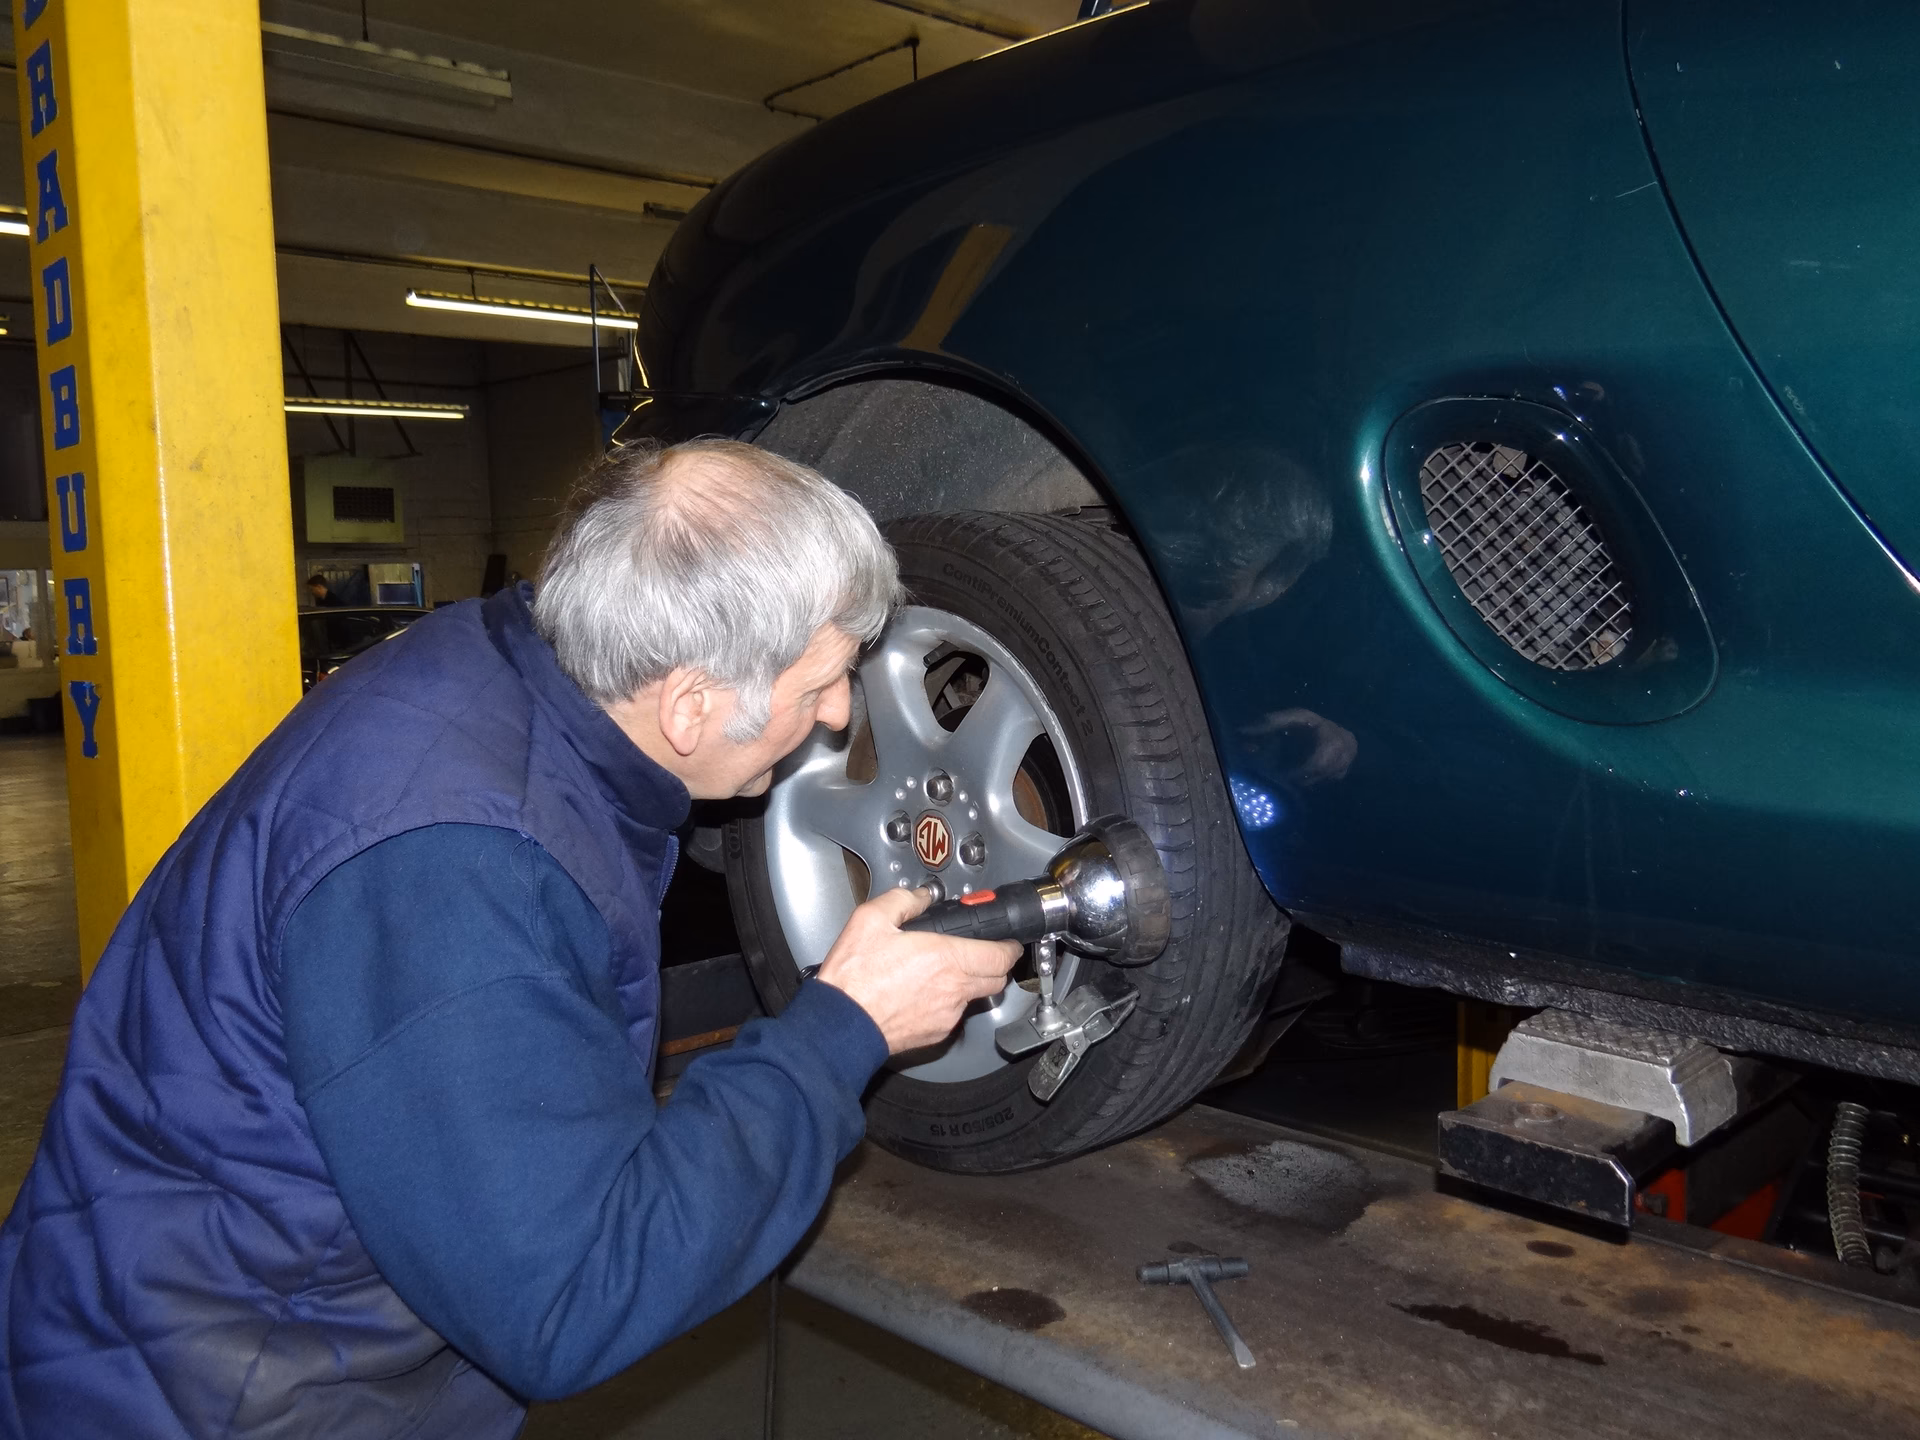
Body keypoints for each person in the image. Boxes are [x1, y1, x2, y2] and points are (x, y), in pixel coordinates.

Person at [0, 440, 1021, 1439]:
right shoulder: (454, 878)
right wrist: (843, 1029)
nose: (842, 718)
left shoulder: (504, 665)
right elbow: (568, 1298)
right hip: (220, 1392)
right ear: (688, 705)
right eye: (816, 688)